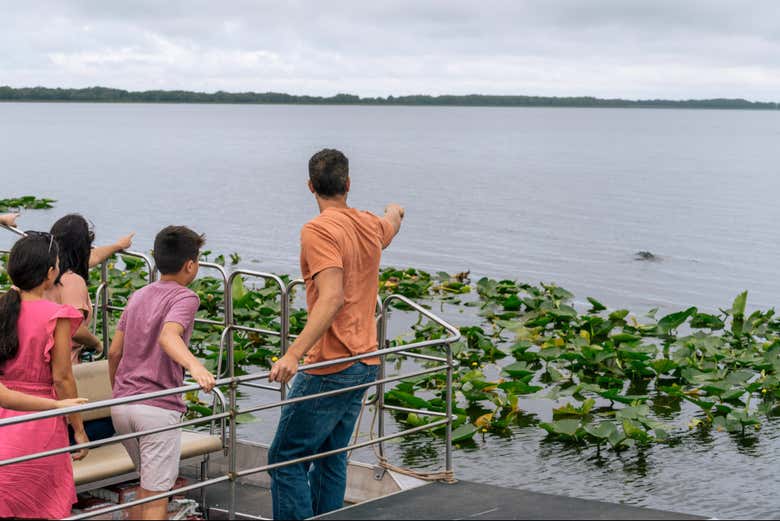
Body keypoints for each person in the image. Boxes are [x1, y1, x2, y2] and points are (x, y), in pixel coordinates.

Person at [268, 149, 404, 520]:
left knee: (285, 460)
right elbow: (392, 223)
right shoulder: (369, 224)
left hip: (332, 363)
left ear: (310, 186)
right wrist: (395, 209)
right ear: (348, 184)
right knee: (331, 457)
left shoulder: (318, 230)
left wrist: (292, 354)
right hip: (366, 360)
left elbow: (331, 298)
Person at [109, 225, 216, 520]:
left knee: (146, 487)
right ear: (190, 265)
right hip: (157, 408)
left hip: (122, 406)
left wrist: (118, 392)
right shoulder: (185, 298)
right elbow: (168, 336)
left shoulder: (138, 295)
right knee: (158, 497)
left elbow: (114, 352)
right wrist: (196, 366)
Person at [0, 233, 90, 519]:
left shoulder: (2, 309)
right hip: (40, 420)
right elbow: (63, 378)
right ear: (50, 273)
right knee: (40, 506)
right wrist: (78, 429)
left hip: (4, 414)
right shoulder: (56, 315)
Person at [45, 214, 106, 363]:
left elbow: (94, 258)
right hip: (64, 363)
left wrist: (117, 245)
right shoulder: (73, 281)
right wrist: (97, 344)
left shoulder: (43, 273)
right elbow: (75, 329)